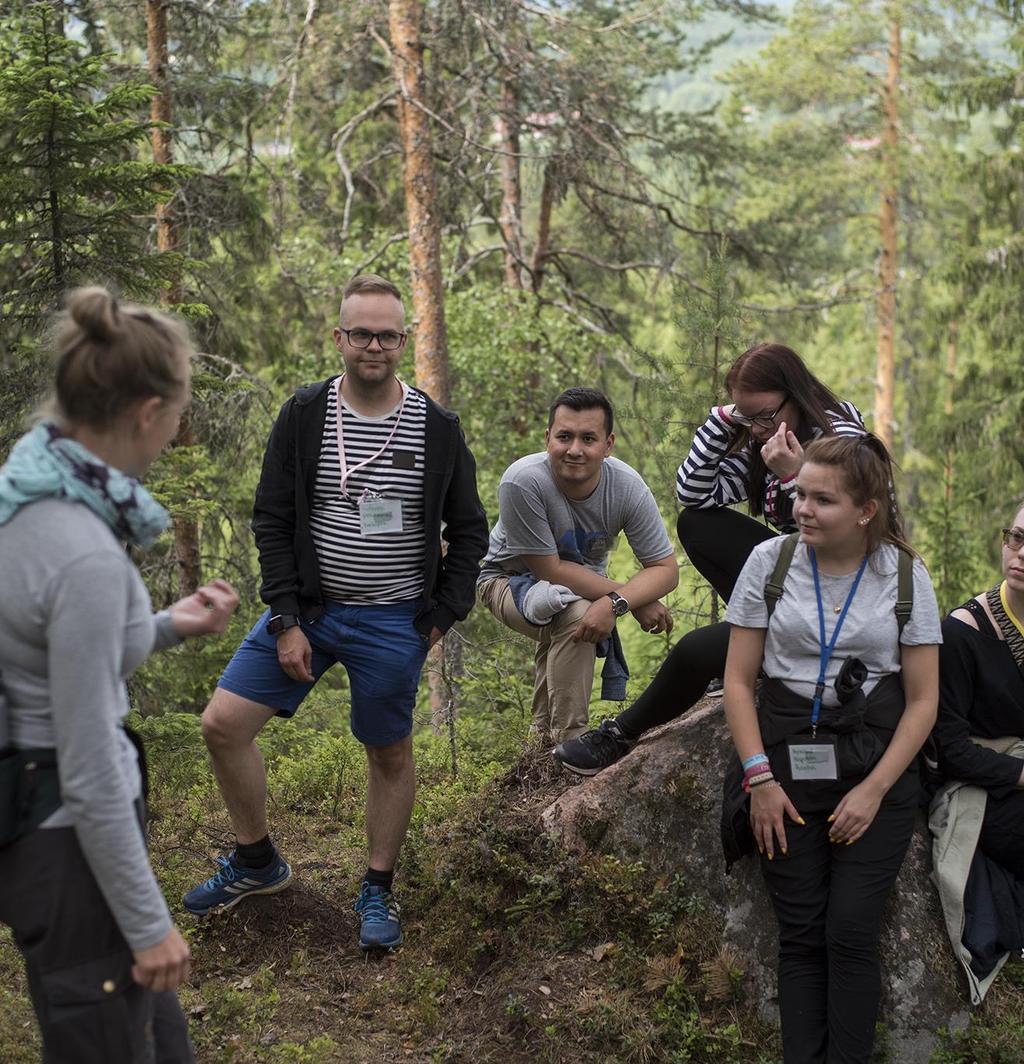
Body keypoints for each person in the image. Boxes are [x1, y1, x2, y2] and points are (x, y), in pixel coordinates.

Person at [182, 274, 489, 951]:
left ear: (402, 340)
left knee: (388, 753)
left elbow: (470, 531)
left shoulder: (437, 429)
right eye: (360, 333)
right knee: (223, 724)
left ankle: (378, 889)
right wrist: (287, 618)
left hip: (394, 619)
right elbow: (273, 517)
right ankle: (256, 861)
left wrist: (439, 618)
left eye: (385, 334)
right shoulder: (306, 413)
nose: (372, 345)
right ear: (339, 338)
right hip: (311, 609)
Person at [0, 287, 240, 1063]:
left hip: (36, 821)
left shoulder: (26, 494)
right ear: (147, 411)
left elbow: (44, 652)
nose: (179, 428)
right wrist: (147, 924)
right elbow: (90, 760)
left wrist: (168, 625)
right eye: (179, 410)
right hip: (67, 844)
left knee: (159, 1042)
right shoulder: (84, 553)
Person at [722, 433, 941, 1064]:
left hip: (875, 769)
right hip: (784, 763)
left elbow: (924, 701)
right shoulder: (771, 562)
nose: (803, 509)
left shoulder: (902, 573)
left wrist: (873, 793)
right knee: (800, 935)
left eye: (823, 499)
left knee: (849, 931)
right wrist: (758, 782)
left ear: (866, 510)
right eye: (800, 494)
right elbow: (739, 682)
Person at [554, 342, 865, 775]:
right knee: (697, 524)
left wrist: (796, 476)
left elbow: (853, 536)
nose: (756, 428)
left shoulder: (844, 438)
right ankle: (754, 642)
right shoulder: (769, 441)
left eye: (764, 416)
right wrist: (721, 422)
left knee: (695, 651)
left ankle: (618, 736)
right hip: (797, 581)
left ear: (796, 394)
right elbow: (694, 494)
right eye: (746, 417)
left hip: (842, 598)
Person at [477, 387, 678, 743]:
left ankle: (540, 743)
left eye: (588, 438)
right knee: (577, 615)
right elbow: (550, 572)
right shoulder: (523, 481)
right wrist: (633, 599)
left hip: (580, 584)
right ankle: (571, 743)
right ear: (547, 438)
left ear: (608, 444)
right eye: (564, 436)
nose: (575, 450)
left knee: (575, 609)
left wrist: (618, 602)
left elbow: (666, 568)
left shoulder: (627, 487)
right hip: (506, 582)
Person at [928, 505, 1024, 997]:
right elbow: (949, 750)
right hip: (982, 786)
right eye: (1015, 537)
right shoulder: (963, 632)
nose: (1020, 553)